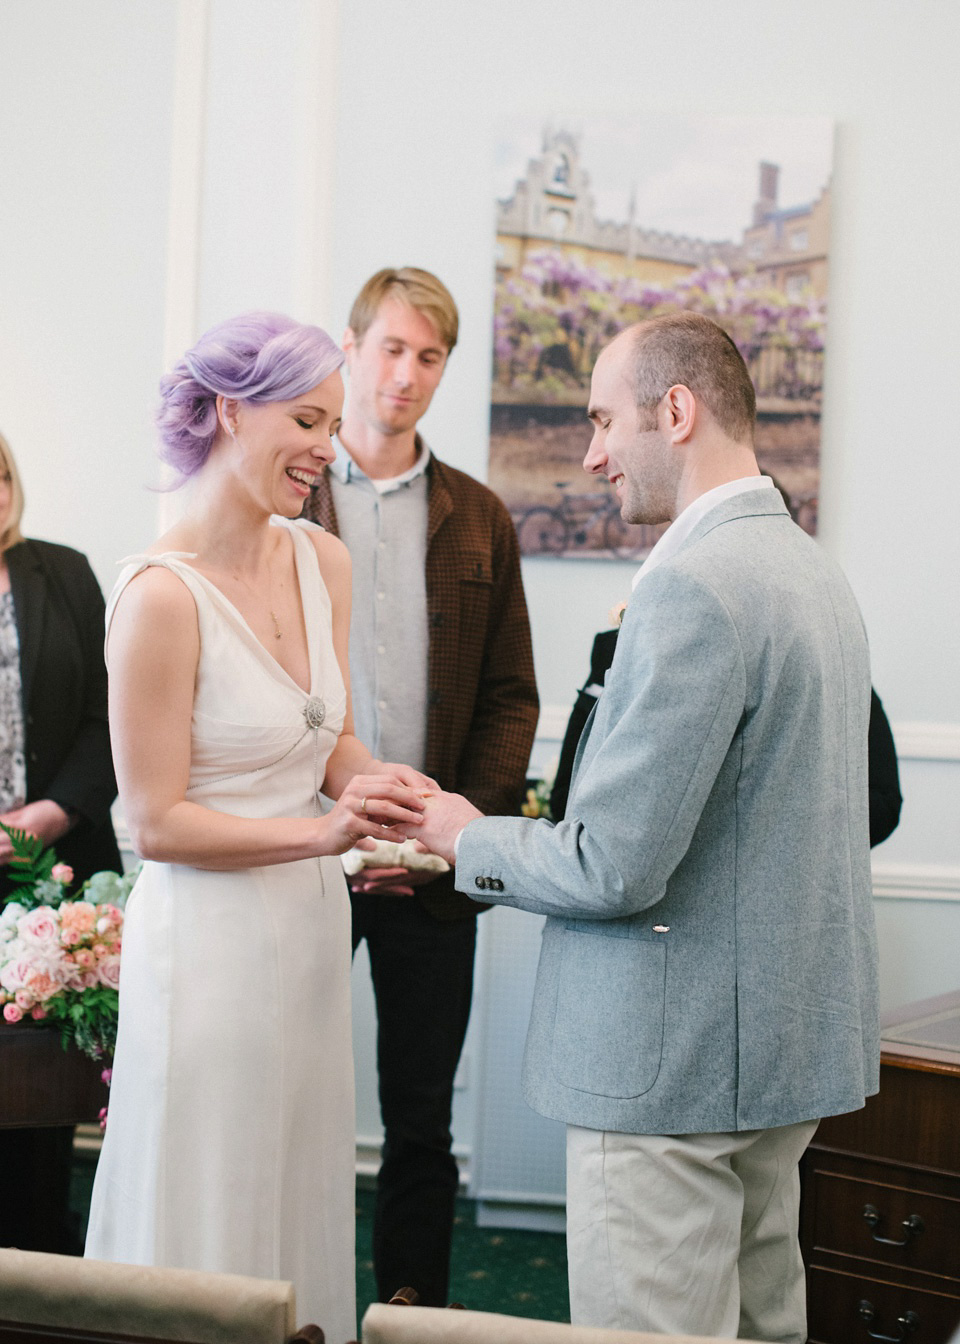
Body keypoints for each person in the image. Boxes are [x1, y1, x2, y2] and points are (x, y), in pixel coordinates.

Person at [404, 312, 880, 1342]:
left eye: (603, 420)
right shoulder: (812, 572)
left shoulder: (693, 587)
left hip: (669, 1066)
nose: (590, 454)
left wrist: (461, 836)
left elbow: (613, 864)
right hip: (776, 1054)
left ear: (677, 410)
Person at [84, 312, 434, 1341]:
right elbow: (154, 823)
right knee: (212, 1180)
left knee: (297, 1172)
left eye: (334, 420)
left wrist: (392, 800)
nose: (329, 446)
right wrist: (323, 840)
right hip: (208, 948)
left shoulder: (322, 560)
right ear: (232, 413)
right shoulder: (158, 596)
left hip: (309, 936)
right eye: (308, 418)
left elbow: (333, 747)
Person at [303, 267, 538, 1307]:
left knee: (419, 1119)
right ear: (350, 350)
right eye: (390, 349)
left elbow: (511, 696)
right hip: (300, 853)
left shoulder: (480, 515)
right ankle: (287, 1299)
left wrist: (449, 836)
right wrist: (332, 833)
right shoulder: (285, 495)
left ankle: (411, 1314)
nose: (406, 374)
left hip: (435, 871)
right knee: (288, 1098)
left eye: (429, 356)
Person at [0, 430, 122, 1255]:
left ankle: (43, 1255)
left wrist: (49, 814)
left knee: (44, 1086)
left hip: (55, 865)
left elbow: (109, 717)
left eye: (1, 472)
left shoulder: (65, 572)